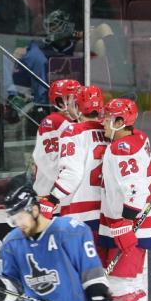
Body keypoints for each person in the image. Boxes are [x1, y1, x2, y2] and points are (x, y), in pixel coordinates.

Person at [98, 98, 151, 301]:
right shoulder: (137, 137)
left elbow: (135, 189)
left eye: (109, 117)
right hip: (136, 222)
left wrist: (124, 222)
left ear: (121, 122)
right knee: (131, 283)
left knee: (120, 284)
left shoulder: (121, 148)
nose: (103, 121)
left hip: (130, 223)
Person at [45, 86, 108, 239]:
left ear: (78, 107)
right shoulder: (110, 132)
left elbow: (72, 174)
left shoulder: (73, 132)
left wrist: (52, 199)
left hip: (80, 214)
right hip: (107, 214)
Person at [32, 79, 80, 197]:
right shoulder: (53, 122)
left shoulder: (79, 123)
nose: (79, 102)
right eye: (74, 98)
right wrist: (66, 185)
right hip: (51, 196)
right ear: (60, 103)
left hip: (69, 197)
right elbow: (46, 161)